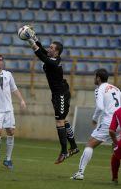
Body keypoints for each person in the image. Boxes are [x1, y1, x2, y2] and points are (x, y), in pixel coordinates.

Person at [71, 69, 121, 180]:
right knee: (117, 147)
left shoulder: (99, 89)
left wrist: (95, 118)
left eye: (95, 77)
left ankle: (80, 173)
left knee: (90, 144)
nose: (94, 79)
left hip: (109, 121)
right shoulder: (116, 89)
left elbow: (100, 107)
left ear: (98, 78)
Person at [25, 27, 79, 164]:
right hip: (58, 94)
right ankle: (74, 147)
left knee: (59, 121)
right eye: (50, 47)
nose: (49, 49)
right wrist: (34, 38)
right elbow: (42, 51)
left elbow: (41, 55)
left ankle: (64, 151)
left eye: (52, 48)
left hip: (60, 94)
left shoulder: (54, 62)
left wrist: (31, 42)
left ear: (57, 52)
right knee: (64, 120)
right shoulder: (52, 58)